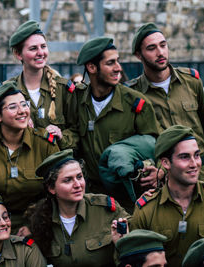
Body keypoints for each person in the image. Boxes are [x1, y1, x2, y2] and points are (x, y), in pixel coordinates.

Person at [0, 82, 59, 233]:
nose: (22, 111)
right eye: (13, 107)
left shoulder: (45, 145)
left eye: (24, 105)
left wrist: (35, 226)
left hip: (34, 226)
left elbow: (56, 197)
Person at [75, 37, 160, 205]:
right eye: (110, 63)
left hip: (128, 198)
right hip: (91, 199)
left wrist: (153, 170)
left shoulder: (135, 103)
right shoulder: (76, 101)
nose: (118, 68)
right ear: (91, 67)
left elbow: (157, 146)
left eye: (118, 61)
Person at [127, 22, 204, 180]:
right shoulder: (133, 94)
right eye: (151, 48)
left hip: (201, 176)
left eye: (163, 45)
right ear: (139, 55)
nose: (160, 52)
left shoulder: (192, 81)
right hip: (164, 179)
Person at [130, 125, 204, 266]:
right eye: (185, 157)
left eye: (197, 155)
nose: (194, 164)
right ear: (165, 163)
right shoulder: (146, 210)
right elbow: (133, 259)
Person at [29, 149, 128, 266]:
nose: (77, 185)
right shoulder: (41, 219)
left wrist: (122, 243)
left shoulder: (106, 209)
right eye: (68, 180)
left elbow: (133, 253)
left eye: (79, 177)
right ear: (51, 188)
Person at [8, 20, 79, 150]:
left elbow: (78, 131)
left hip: (57, 164)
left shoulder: (63, 89)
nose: (40, 52)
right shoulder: (8, 91)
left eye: (43, 46)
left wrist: (61, 136)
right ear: (18, 54)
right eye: (33, 48)